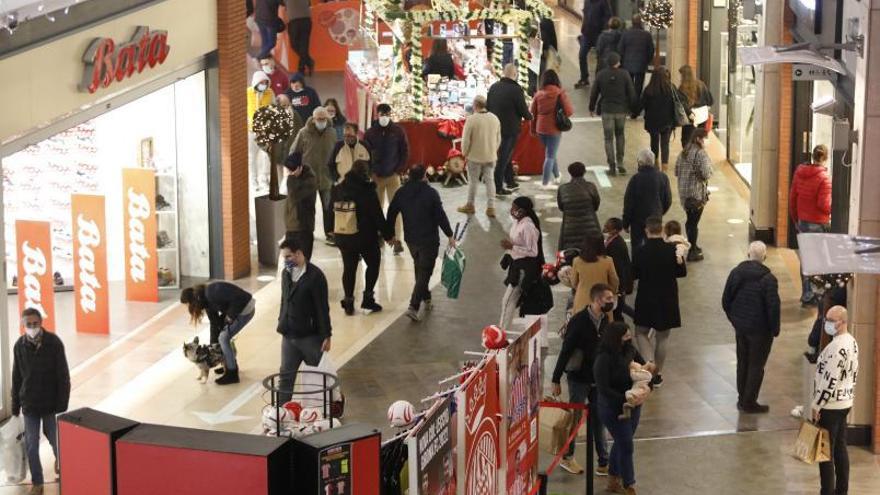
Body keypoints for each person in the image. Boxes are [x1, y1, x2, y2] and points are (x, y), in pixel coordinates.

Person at [551, 283, 615, 476]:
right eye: (608, 299)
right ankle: (567, 457)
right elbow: (566, 350)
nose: (612, 302)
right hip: (579, 378)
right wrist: (556, 379)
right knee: (575, 419)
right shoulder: (579, 321)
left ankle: (603, 461)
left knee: (599, 419)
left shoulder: (605, 320)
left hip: (597, 378)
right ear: (596, 300)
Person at [12, 308, 70, 495]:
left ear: (41, 322)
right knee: (31, 444)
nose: (32, 327)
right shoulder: (19, 346)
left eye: (35, 323)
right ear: (23, 325)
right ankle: (37, 481)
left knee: (54, 437)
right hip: (29, 404)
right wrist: (15, 408)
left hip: (50, 403)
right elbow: (16, 378)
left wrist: (62, 404)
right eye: (28, 324)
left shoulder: (54, 343)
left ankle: (61, 463)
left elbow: (63, 375)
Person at [387, 165, 456, 321]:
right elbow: (440, 216)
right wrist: (450, 235)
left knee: (420, 268)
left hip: (411, 239)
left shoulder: (401, 192)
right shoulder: (431, 193)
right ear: (424, 176)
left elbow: (391, 213)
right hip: (429, 240)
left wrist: (390, 235)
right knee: (424, 272)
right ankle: (413, 306)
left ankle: (427, 298)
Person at [721, 241, 780, 414]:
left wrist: (735, 320)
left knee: (743, 362)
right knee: (756, 365)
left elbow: (726, 300)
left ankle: (742, 398)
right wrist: (775, 329)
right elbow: (773, 307)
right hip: (760, 331)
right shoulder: (769, 279)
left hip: (741, 328)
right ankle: (749, 402)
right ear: (764, 257)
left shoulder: (736, 273)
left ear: (748, 254)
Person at [632, 216, 686, 387]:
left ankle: (649, 366)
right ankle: (658, 373)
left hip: (646, 296)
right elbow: (681, 272)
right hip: (667, 297)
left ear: (646, 230)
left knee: (641, 332)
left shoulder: (640, 251)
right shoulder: (672, 250)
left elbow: (634, 274)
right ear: (661, 230)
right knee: (663, 337)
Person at [334, 160, 394, 315]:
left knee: (349, 268)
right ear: (365, 174)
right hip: (365, 237)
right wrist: (388, 236)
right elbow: (378, 216)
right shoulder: (368, 191)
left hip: (344, 236)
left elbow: (330, 210)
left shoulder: (339, 189)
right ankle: (368, 299)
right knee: (373, 264)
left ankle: (348, 302)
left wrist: (331, 231)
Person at [594, 322, 646, 495]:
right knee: (627, 445)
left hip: (634, 404)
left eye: (629, 335)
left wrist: (648, 386)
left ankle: (613, 480)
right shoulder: (603, 359)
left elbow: (644, 368)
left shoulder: (630, 350)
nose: (629, 338)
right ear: (615, 338)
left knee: (622, 441)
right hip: (612, 407)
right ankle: (628, 483)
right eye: (625, 336)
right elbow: (603, 389)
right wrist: (623, 398)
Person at [277, 237, 331, 404]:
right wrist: (281, 319)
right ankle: (279, 413)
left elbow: (322, 308)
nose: (285, 261)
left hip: (309, 337)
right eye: (284, 257)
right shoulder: (286, 273)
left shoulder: (315, 277)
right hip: (288, 336)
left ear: (299, 254)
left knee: (317, 377)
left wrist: (327, 335)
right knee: (285, 377)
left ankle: (327, 407)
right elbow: (284, 299)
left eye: (288, 257)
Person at [811, 305, 858, 495]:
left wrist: (817, 404)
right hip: (845, 402)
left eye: (831, 320)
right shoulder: (852, 342)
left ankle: (827, 491)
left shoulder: (837, 347)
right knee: (840, 447)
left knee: (825, 453)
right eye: (826, 320)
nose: (827, 323)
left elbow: (830, 379)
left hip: (830, 405)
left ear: (842, 322)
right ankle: (842, 490)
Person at [179, 282, 256, 384]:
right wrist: (212, 350)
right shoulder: (205, 302)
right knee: (221, 336)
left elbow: (237, 298)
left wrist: (230, 317)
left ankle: (232, 373)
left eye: (188, 305)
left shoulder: (212, 292)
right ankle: (228, 362)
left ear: (192, 301)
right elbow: (214, 325)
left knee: (224, 338)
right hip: (237, 310)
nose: (189, 308)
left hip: (245, 308)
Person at [499, 197, 550, 331]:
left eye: (514, 208)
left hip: (524, 268)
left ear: (522, 211)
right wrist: (509, 251)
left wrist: (512, 247)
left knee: (508, 301)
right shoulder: (517, 222)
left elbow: (533, 252)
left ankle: (500, 334)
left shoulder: (528, 226)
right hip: (516, 265)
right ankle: (501, 332)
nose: (511, 210)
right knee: (509, 301)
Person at [790, 144, 832, 306]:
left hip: (803, 222)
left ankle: (806, 293)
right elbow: (824, 205)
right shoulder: (824, 178)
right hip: (819, 222)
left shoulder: (800, 173)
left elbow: (793, 198)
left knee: (806, 258)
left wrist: (796, 220)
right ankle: (817, 293)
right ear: (826, 158)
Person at [365, 103, 409, 255]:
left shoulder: (398, 131)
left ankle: (397, 240)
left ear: (390, 114)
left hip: (393, 176)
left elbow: (404, 151)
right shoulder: (370, 133)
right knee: (376, 210)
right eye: (381, 114)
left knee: (395, 209)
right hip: (376, 176)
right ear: (377, 115)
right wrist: (371, 171)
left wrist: (398, 170)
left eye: (386, 113)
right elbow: (365, 154)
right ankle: (378, 237)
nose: (383, 116)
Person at [291, 106, 338, 245]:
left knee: (328, 208)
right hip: (308, 179)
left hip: (327, 178)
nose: (322, 121)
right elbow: (294, 152)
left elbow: (337, 153)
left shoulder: (332, 133)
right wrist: (296, 169)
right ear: (313, 119)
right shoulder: (303, 133)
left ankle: (330, 233)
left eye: (324, 119)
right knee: (308, 209)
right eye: (319, 119)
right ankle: (307, 233)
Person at [487, 63, 532, 195]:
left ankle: (510, 180)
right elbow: (523, 111)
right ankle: (498, 186)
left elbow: (488, 106)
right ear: (515, 74)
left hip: (495, 127)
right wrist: (530, 115)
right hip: (510, 129)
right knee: (504, 157)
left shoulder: (493, 87)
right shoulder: (516, 90)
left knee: (506, 155)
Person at [589, 52, 636, 176]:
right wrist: (633, 109)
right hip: (621, 111)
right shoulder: (625, 74)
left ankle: (612, 165)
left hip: (607, 111)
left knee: (608, 138)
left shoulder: (601, 75)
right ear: (618, 62)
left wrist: (591, 107)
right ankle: (620, 162)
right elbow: (631, 92)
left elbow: (594, 93)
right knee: (620, 135)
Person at [457, 95, 502, 217]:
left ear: (475, 105)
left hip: (474, 156)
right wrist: (493, 150)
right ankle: (491, 207)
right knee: (490, 180)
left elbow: (466, 140)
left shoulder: (471, 119)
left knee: (473, 182)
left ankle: (470, 205)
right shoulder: (495, 118)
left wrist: (464, 153)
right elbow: (498, 138)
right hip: (490, 156)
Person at [622, 149, 672, 256]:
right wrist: (659, 212)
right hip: (655, 219)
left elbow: (628, 203)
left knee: (637, 248)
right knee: (655, 245)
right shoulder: (663, 177)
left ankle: (637, 270)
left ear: (640, 162)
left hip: (637, 221)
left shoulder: (635, 179)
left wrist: (625, 222)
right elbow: (668, 200)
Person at [675, 128, 713, 262]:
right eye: (705, 138)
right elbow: (707, 174)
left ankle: (693, 245)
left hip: (684, 194)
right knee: (693, 223)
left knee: (690, 220)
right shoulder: (701, 154)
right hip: (696, 195)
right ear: (698, 139)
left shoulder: (683, 152)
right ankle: (692, 250)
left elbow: (676, 171)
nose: (706, 141)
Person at [530, 70, 574, 187]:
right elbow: (569, 112)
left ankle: (557, 175)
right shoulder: (560, 93)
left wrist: (532, 129)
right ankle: (545, 182)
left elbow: (532, 113)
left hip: (540, 129)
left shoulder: (538, 94)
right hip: (554, 129)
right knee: (549, 156)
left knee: (550, 152)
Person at [639, 66, 681, 170]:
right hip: (667, 121)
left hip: (652, 121)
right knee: (665, 143)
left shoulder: (649, 90)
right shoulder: (671, 88)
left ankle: (655, 163)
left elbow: (642, 104)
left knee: (654, 142)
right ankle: (665, 166)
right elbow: (677, 103)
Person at [557, 162, 601, 251]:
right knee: (593, 254)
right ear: (584, 172)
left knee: (571, 255)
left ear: (570, 173)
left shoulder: (563, 189)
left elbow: (561, 207)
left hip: (569, 229)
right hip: (591, 228)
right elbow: (596, 205)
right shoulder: (590, 186)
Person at [571, 235, 619, 315]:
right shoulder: (608, 261)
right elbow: (615, 280)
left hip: (582, 299)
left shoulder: (577, 261)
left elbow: (573, 283)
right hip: (603, 300)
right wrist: (612, 292)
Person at [283, 152, 318, 259]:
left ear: (300, 167)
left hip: (303, 226)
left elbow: (294, 197)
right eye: (289, 170)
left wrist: (291, 178)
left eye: (292, 170)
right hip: (291, 225)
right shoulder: (293, 178)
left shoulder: (310, 180)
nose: (290, 173)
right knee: (290, 261)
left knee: (303, 260)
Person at [248, 71, 275, 191]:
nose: (263, 84)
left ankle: (264, 179)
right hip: (251, 130)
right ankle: (253, 181)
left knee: (266, 156)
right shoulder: (248, 93)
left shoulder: (270, 93)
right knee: (252, 157)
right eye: (261, 83)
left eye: (265, 82)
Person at [618, 14, 654, 104]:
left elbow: (620, 49)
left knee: (628, 84)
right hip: (641, 64)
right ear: (641, 22)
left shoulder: (626, 34)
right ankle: (636, 102)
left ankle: (628, 101)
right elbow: (651, 50)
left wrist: (622, 61)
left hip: (627, 64)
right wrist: (647, 61)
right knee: (638, 85)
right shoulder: (647, 35)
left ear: (632, 22)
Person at [603, 218, 634, 322]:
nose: (604, 229)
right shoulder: (613, 241)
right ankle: (641, 319)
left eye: (607, 228)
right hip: (620, 284)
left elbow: (619, 267)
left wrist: (619, 287)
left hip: (619, 284)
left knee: (617, 313)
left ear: (615, 230)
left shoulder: (616, 245)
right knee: (621, 307)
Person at [576, 0, 612, 88]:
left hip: (598, 34)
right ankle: (584, 78)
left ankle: (598, 79)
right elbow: (585, 13)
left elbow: (608, 16)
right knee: (582, 55)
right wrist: (583, 27)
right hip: (586, 33)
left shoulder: (603, 2)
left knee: (600, 57)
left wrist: (603, 30)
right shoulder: (587, 1)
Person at [677, 65, 714, 147]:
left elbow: (681, 104)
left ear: (684, 76)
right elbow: (710, 100)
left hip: (690, 117)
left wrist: (690, 113)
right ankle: (698, 157)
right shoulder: (701, 84)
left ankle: (688, 158)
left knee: (686, 140)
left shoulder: (682, 88)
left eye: (681, 75)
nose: (679, 77)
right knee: (699, 139)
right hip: (703, 117)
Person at [285, 0, 314, 74]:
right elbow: (309, 5)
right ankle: (308, 62)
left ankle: (302, 68)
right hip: (303, 21)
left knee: (300, 45)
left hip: (297, 21)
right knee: (301, 45)